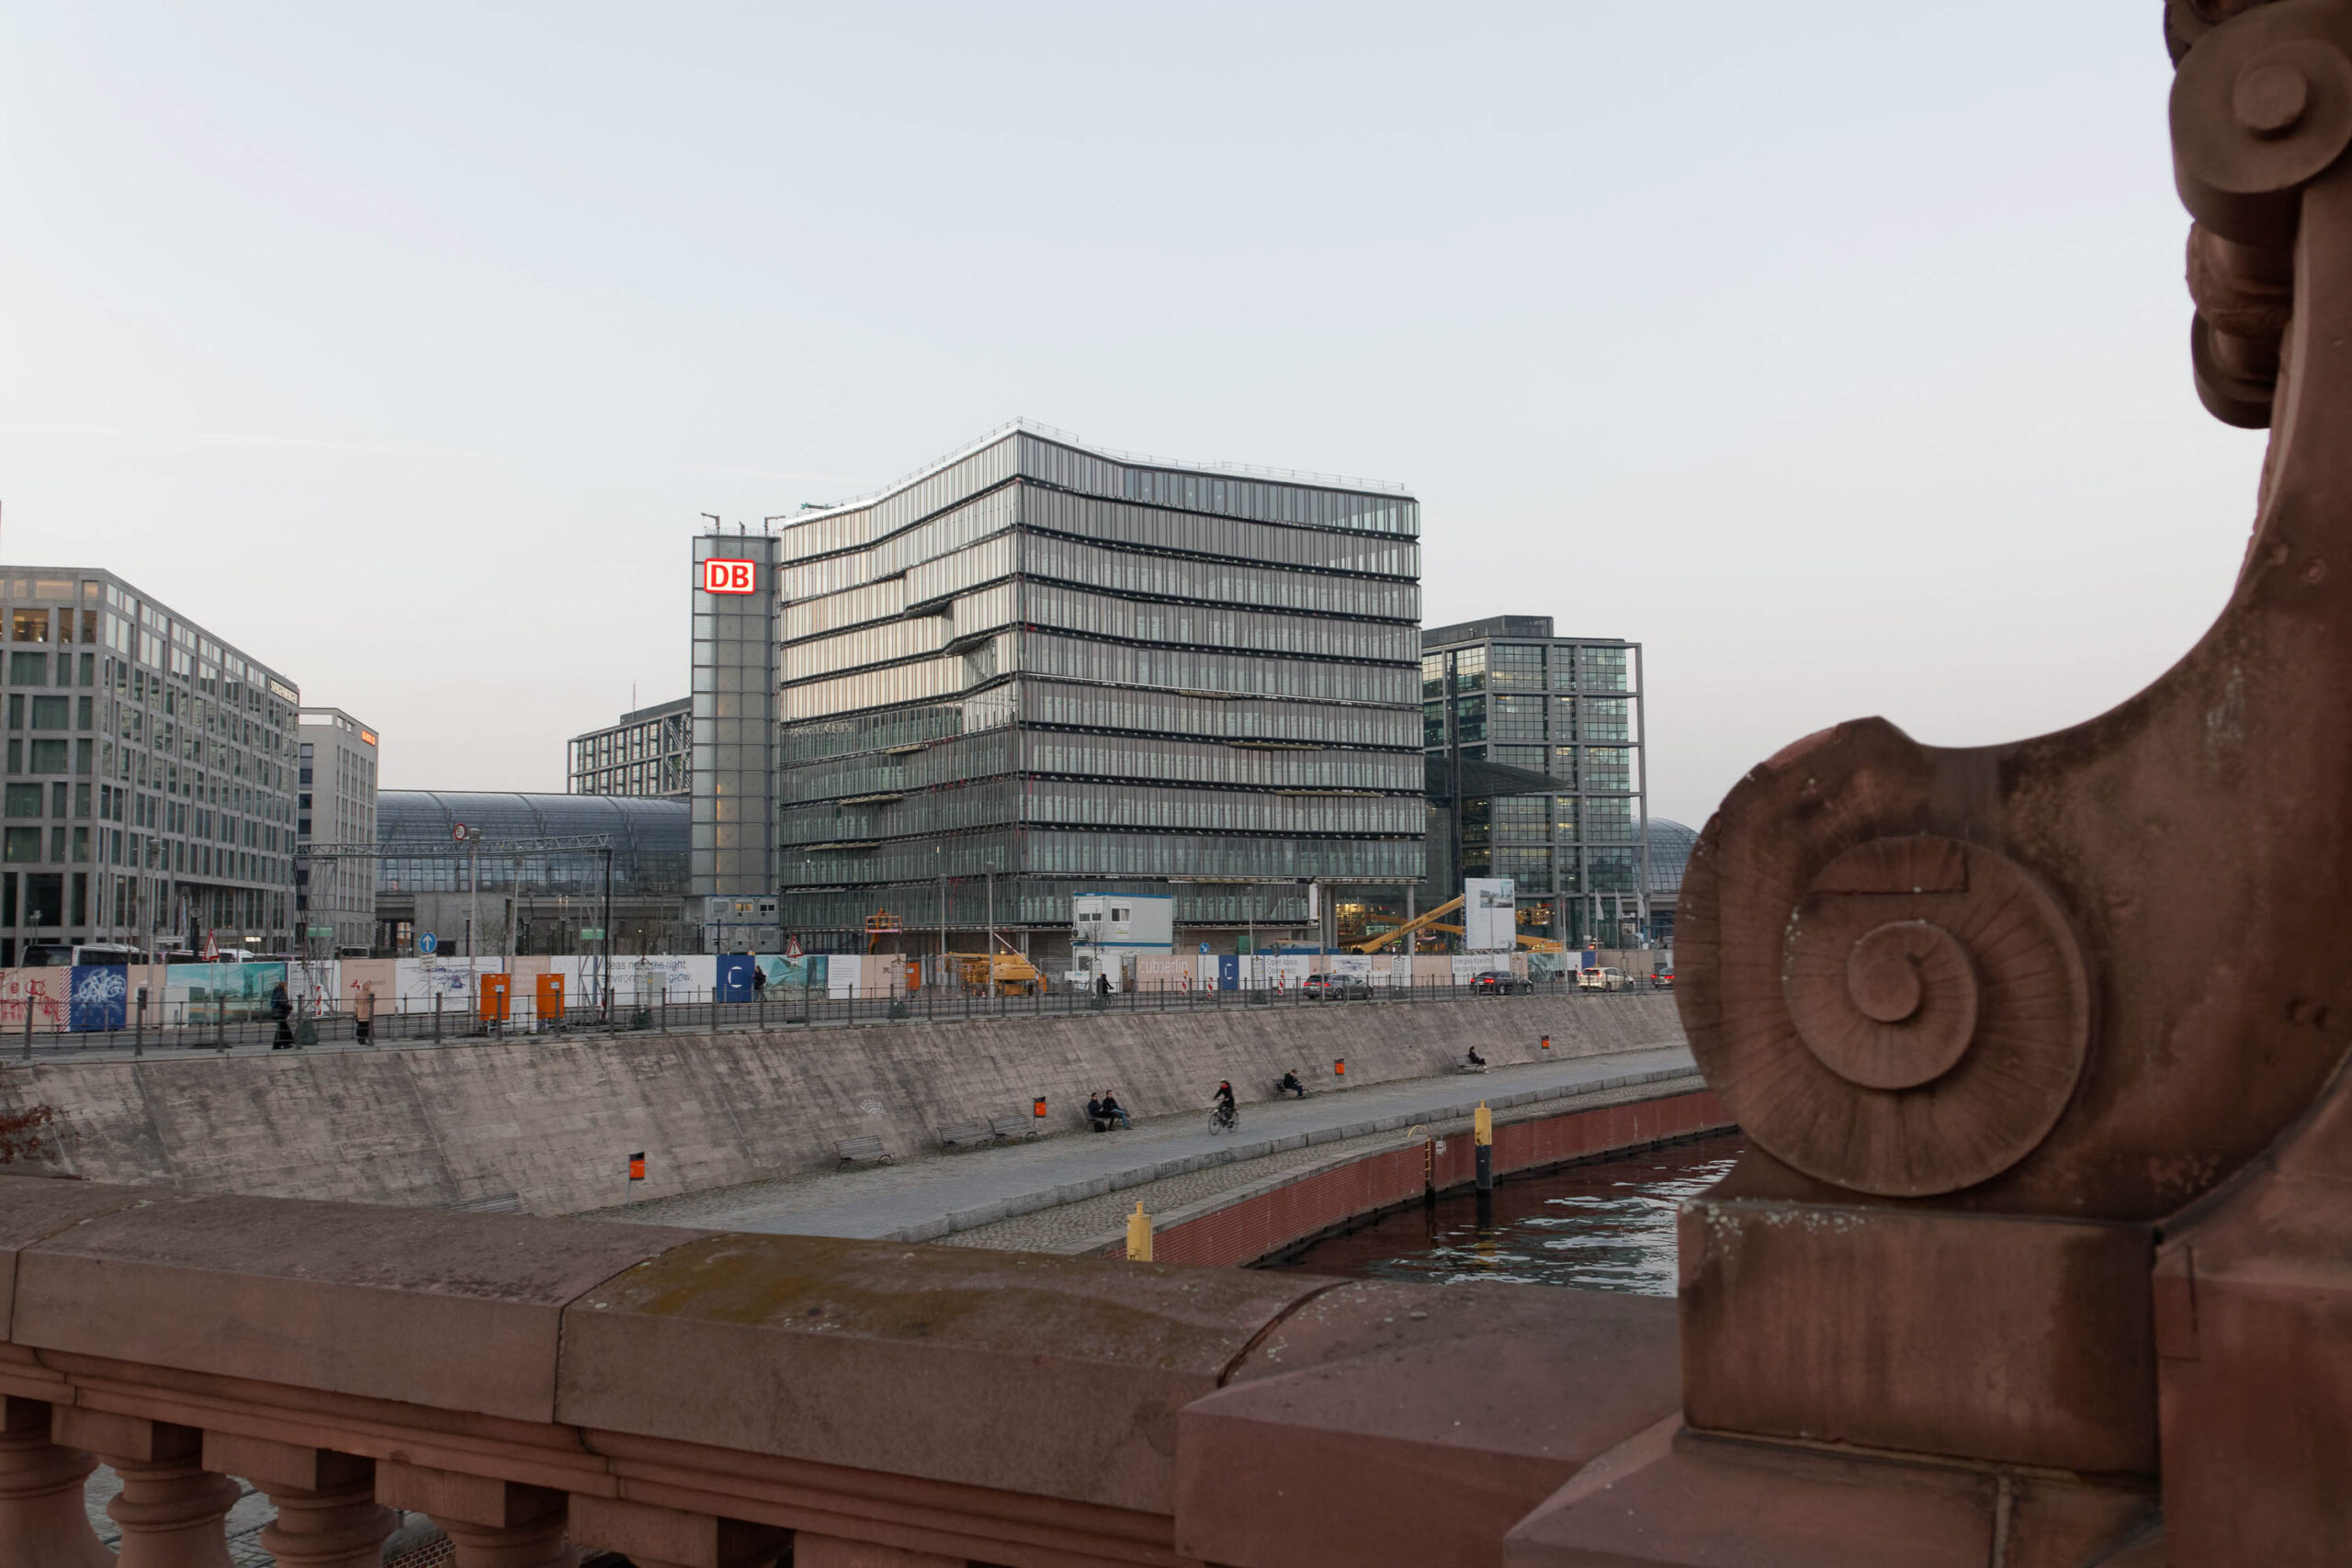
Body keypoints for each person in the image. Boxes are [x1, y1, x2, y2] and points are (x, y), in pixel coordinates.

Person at [268, 980, 294, 1049]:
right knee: (282, 1029)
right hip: (280, 1013)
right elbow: (283, 1003)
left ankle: (285, 1043)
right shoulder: (282, 993)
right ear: (284, 986)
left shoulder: (276, 992)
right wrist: (290, 1007)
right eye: (286, 986)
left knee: (283, 1028)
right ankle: (280, 1045)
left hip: (276, 1013)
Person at [353, 981, 375, 1045]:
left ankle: (361, 1039)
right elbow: (373, 999)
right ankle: (367, 1040)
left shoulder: (359, 993)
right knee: (367, 1026)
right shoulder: (369, 993)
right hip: (367, 1012)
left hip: (360, 1012)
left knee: (361, 1026)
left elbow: (356, 1001)